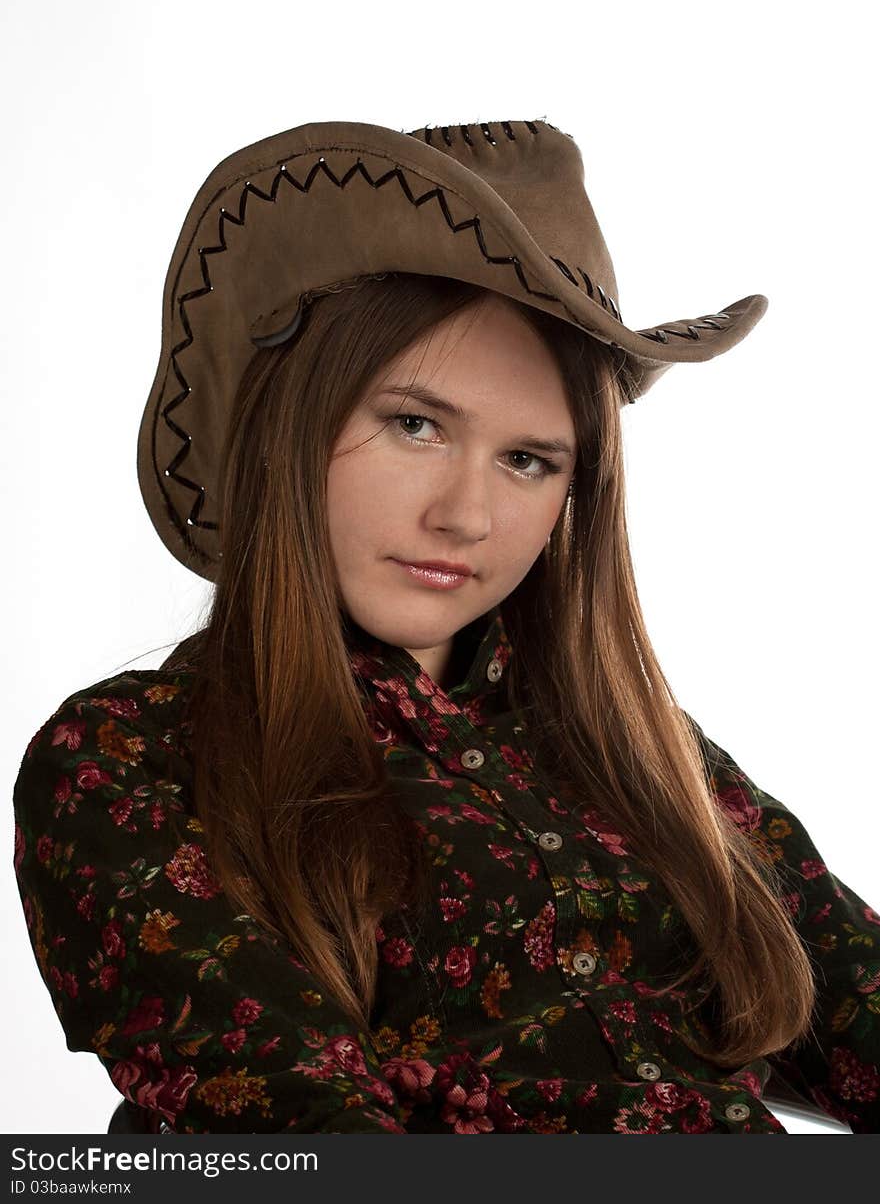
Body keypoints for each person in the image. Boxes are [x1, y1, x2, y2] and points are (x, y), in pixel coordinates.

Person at [12, 119, 879, 1134]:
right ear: (293, 422)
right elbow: (300, 1140)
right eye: (416, 424)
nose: (465, 515)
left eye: (528, 460)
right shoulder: (128, 760)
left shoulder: (650, 757)